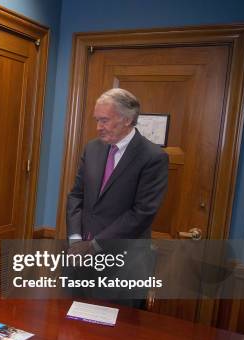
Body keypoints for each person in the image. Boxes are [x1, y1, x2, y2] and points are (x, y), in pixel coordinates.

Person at [66, 88, 169, 308]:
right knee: (73, 331)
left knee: (116, 337)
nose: (98, 127)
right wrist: (75, 239)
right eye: (97, 120)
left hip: (124, 264)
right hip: (80, 261)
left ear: (127, 120)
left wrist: (95, 245)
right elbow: (76, 195)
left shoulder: (153, 157)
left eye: (104, 120)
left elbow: (142, 213)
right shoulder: (92, 148)